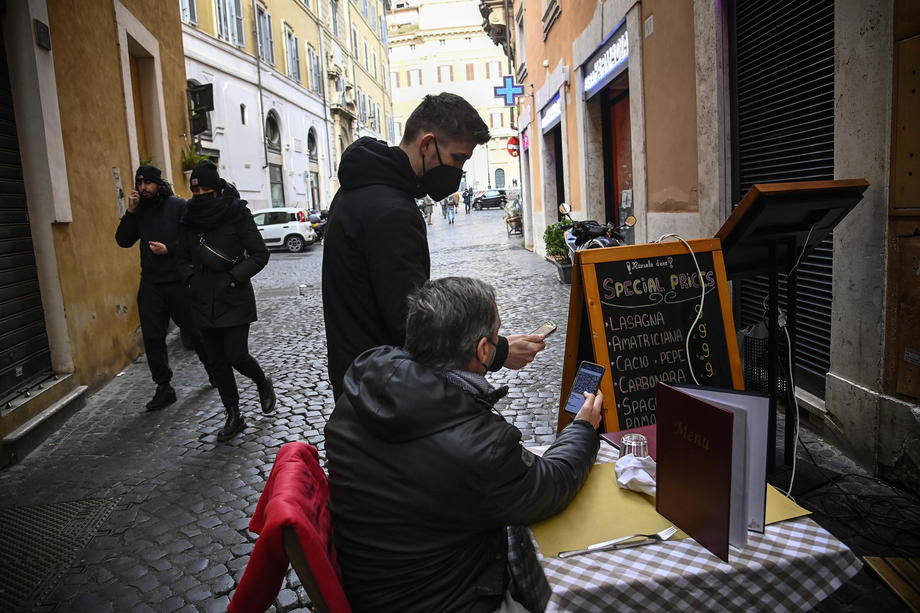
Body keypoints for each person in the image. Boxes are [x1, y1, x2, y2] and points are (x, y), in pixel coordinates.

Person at [325, 276, 602, 613]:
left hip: (379, 585)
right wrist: (583, 428)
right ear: (483, 350)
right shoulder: (481, 448)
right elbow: (552, 483)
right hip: (450, 599)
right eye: (497, 335)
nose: (499, 341)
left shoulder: (362, 387)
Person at [322, 92, 547, 399]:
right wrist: (496, 352)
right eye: (457, 158)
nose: (459, 170)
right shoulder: (392, 211)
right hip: (383, 391)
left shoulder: (357, 191)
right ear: (427, 144)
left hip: (358, 377)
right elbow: (411, 323)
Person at [176, 161, 276, 442]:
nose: (201, 194)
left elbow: (259, 254)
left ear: (217, 190)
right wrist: (190, 279)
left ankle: (261, 382)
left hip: (234, 297)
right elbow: (181, 257)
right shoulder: (188, 219)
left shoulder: (236, 214)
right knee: (217, 362)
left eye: (206, 188)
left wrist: (234, 277)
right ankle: (233, 414)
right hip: (201, 300)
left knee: (235, 354)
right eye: (196, 189)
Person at [115, 165, 214, 411]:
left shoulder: (178, 206)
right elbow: (123, 240)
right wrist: (130, 211)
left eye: (147, 183)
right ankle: (163, 387)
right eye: (139, 184)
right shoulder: (139, 211)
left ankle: (214, 371)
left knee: (195, 331)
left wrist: (169, 249)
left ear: (158, 183)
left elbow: (192, 240)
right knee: (152, 338)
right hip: (151, 284)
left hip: (178, 282)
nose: (143, 188)